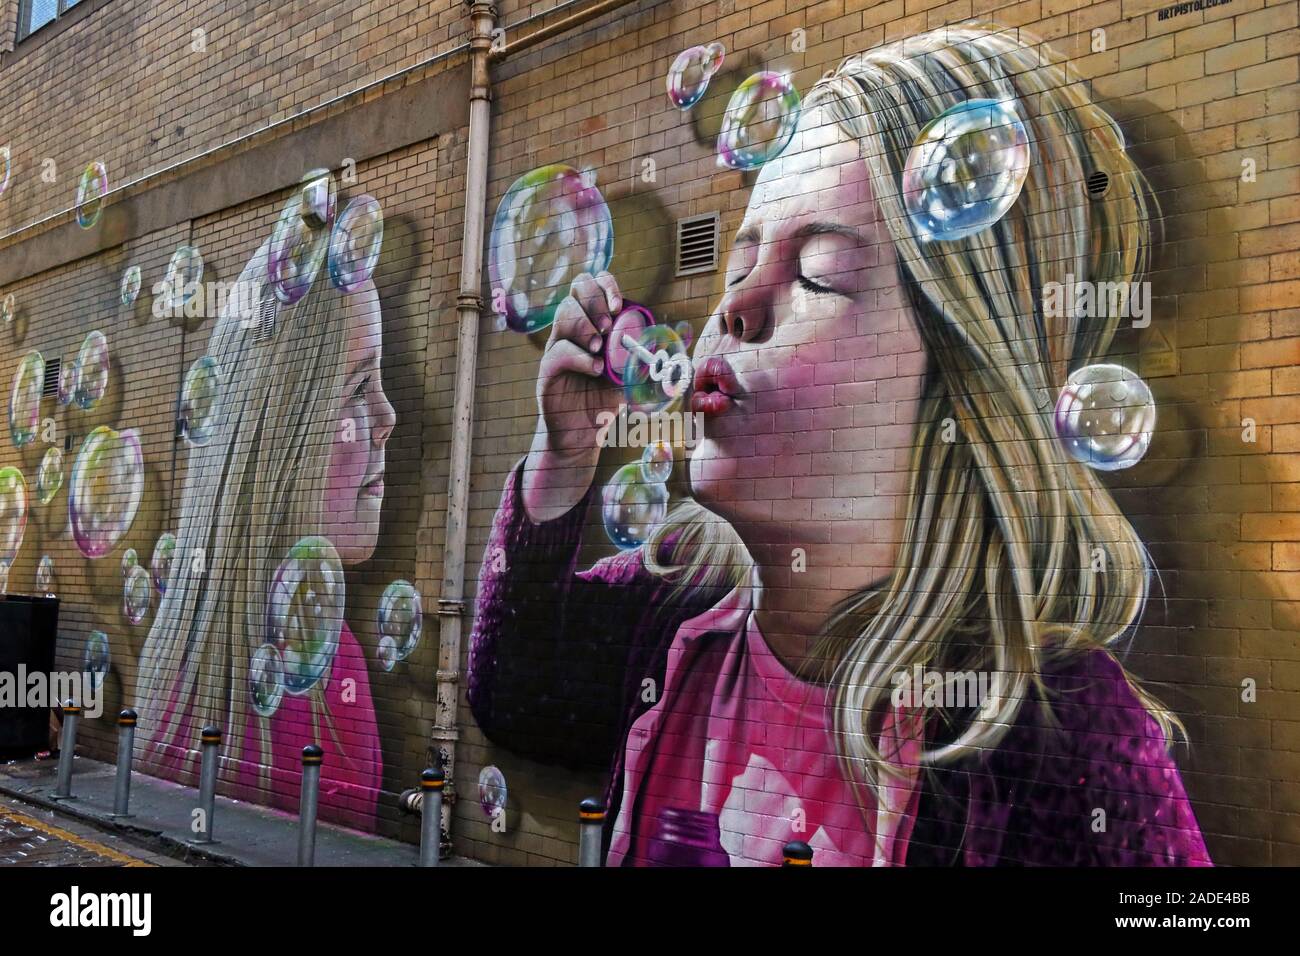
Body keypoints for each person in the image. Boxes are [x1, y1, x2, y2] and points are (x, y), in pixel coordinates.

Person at [468, 25, 1211, 866]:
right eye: (738, 263)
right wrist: (565, 457)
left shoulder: (1050, 727)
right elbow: (518, 698)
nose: (738, 307)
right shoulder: (672, 600)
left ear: (958, 373)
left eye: (817, 272)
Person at [135, 195, 395, 831]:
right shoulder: (324, 685)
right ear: (280, 435)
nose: (389, 418)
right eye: (360, 387)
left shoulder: (192, 658)